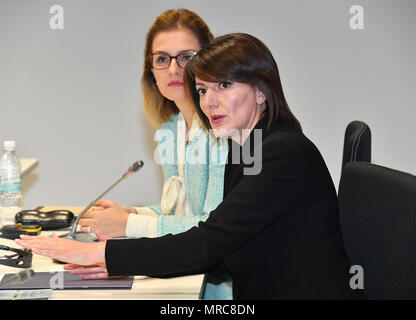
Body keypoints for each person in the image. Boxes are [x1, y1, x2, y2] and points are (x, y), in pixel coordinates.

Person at [16, 33, 361, 299]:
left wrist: (102, 254)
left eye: (224, 85)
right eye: (202, 90)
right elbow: (219, 245)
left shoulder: (282, 153)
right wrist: (117, 261)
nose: (210, 101)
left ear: (261, 91)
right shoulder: (248, 146)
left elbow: (209, 242)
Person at [76, 9, 232, 300]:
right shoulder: (171, 128)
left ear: (208, 60)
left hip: (218, 289)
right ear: (151, 71)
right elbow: (178, 214)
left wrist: (129, 224)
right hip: (186, 275)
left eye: (186, 57)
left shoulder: (219, 133)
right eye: (161, 59)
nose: (173, 70)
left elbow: (210, 227)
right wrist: (131, 213)